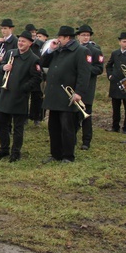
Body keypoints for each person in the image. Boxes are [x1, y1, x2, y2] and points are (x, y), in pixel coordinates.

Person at [40, 26, 90, 164]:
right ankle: (55, 154)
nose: (58, 40)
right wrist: (50, 50)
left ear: (68, 38)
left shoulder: (81, 51)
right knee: (53, 126)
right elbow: (42, 63)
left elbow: (84, 74)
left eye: (60, 38)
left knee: (67, 127)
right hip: (54, 94)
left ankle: (68, 155)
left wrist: (79, 92)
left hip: (67, 96)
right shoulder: (57, 50)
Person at [0, 31, 42, 162]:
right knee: (1, 122)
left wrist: (23, 88)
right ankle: (4, 148)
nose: (20, 43)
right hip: (5, 94)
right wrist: (3, 68)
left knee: (18, 127)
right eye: (19, 41)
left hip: (19, 97)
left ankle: (15, 152)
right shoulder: (10, 53)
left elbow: (37, 79)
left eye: (24, 41)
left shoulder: (34, 59)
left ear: (30, 44)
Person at [75, 25, 104, 151]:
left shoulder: (95, 50)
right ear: (78, 36)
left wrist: (85, 70)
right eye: (83, 35)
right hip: (74, 86)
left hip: (87, 87)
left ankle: (86, 141)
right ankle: (72, 138)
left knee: (86, 115)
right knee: (73, 115)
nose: (85, 37)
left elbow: (99, 68)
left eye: (87, 35)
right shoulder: (74, 49)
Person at [105, 32, 126, 133]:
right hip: (115, 83)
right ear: (119, 42)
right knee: (115, 107)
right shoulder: (115, 53)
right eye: (124, 42)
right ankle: (115, 126)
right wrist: (110, 75)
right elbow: (108, 66)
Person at [29, 29, 49, 125]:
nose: (38, 38)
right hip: (35, 74)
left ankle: (39, 117)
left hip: (45, 75)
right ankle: (31, 116)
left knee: (41, 97)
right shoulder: (33, 46)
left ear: (46, 38)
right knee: (33, 96)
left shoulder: (49, 47)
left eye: (40, 36)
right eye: (37, 36)